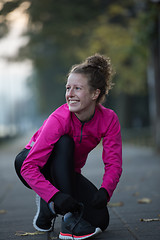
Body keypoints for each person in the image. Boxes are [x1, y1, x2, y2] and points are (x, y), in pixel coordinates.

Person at [15, 53, 122, 240]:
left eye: (77, 88)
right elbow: (28, 167)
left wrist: (106, 190)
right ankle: (67, 220)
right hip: (30, 163)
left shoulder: (109, 119)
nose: (69, 94)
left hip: (65, 172)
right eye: (68, 88)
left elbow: (114, 162)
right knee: (65, 142)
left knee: (100, 221)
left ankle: (47, 207)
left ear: (95, 93)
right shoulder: (59, 119)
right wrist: (56, 196)